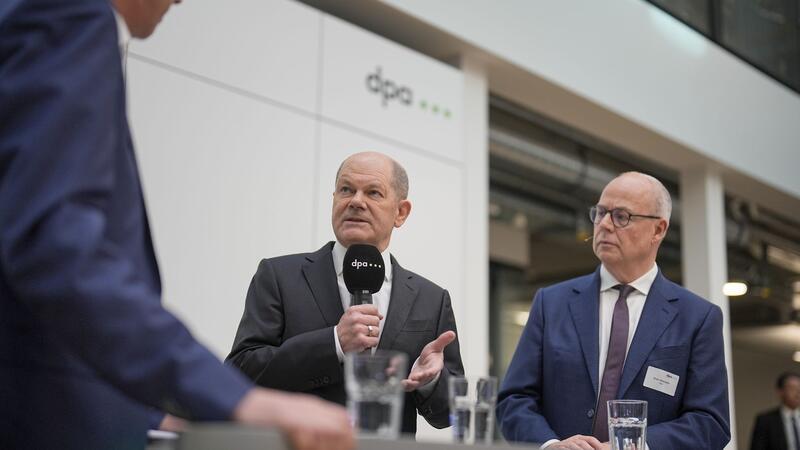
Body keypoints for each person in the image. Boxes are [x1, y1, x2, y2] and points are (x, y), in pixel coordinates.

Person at [0, 1, 353, 449]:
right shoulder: (71, 16)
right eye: (347, 188)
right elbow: (54, 249)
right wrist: (238, 401)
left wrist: (151, 412)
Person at [226, 151, 464, 435]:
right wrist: (333, 343)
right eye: (346, 190)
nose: (356, 201)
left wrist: (431, 381)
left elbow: (452, 411)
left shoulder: (431, 299)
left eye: (373, 192)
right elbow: (240, 373)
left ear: (401, 212)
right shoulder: (279, 276)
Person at [496, 172, 730, 450]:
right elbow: (514, 400)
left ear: (658, 230)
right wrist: (550, 445)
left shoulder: (698, 317)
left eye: (622, 216)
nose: (605, 224)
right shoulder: (552, 302)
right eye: (600, 213)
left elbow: (710, 422)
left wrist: (631, 446)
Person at [750, 371, 800, 450]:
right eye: (792, 388)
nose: (798, 393)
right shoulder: (765, 420)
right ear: (780, 392)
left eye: (799, 388)